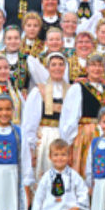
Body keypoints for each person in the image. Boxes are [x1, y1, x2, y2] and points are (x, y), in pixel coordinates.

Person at [23, 53, 70, 183]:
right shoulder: (39, 91)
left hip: (64, 137)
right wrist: (30, 147)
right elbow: (30, 122)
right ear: (47, 68)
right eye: (53, 65)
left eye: (61, 64)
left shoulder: (71, 91)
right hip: (45, 138)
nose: (57, 68)